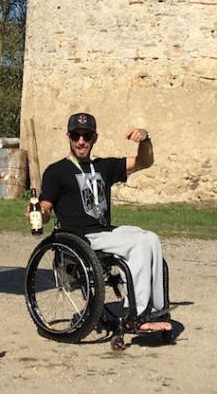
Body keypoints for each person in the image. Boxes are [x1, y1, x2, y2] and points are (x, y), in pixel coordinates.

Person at [35, 111, 171, 333]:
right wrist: (40, 213)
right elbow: (46, 206)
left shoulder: (104, 166)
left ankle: (154, 309)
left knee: (150, 238)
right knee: (138, 244)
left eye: (86, 136)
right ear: (68, 137)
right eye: (76, 136)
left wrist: (145, 139)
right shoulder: (56, 171)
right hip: (80, 238)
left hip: (104, 232)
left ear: (94, 138)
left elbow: (143, 162)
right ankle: (136, 316)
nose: (81, 141)